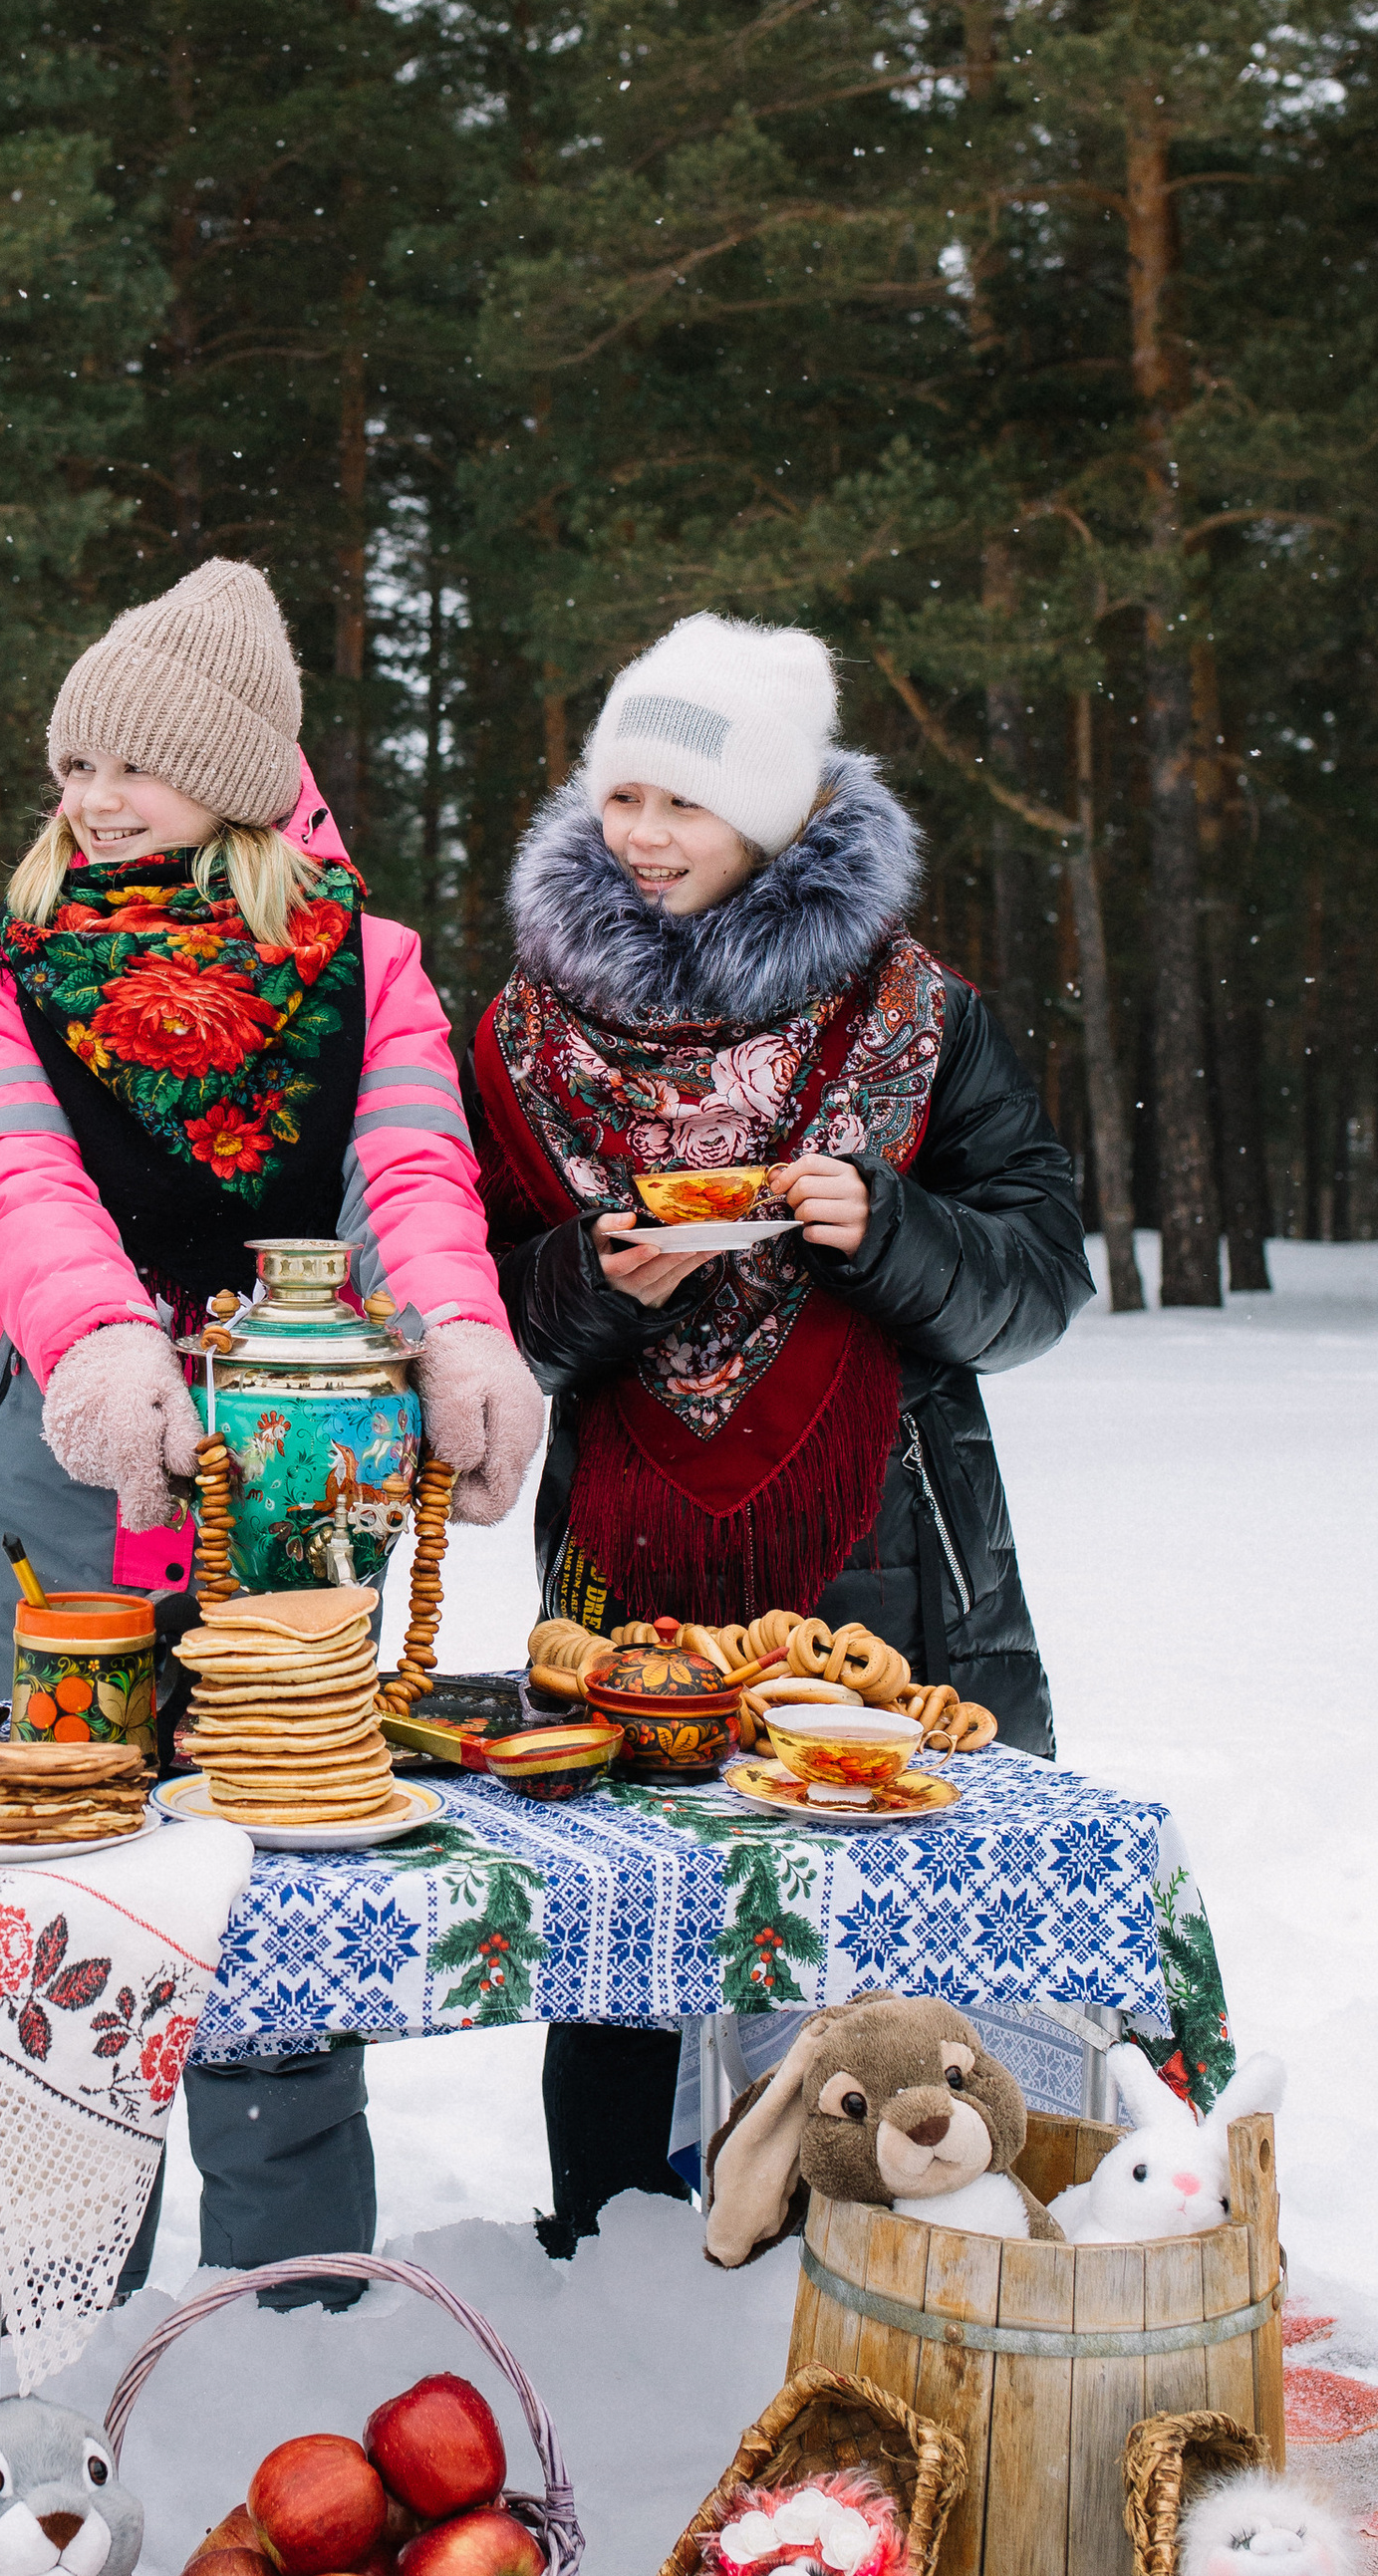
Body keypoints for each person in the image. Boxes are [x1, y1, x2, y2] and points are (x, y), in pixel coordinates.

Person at [0, 558, 541, 2299]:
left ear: (243, 772)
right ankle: (51, 2311)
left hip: (301, 1468)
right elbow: (11, 1172)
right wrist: (106, 1334)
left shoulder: (373, 967)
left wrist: (459, 1333)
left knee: (276, 1865)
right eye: (72, 769)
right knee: (74, 1875)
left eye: (130, 764)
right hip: (65, 1453)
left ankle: (293, 2328)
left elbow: (411, 1167)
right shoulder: (11, 968)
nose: (91, 798)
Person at [466, 615, 1094, 2254]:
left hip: (887, 1571)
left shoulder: (916, 1019)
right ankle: (602, 2292)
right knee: (618, 1954)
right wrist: (597, 1281)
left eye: (687, 802)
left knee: (885, 1985)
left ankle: (895, 2292)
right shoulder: (525, 1040)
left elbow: (1036, 1288)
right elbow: (473, 1316)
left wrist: (886, 1227)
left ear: (781, 817)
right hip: (626, 1586)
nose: (647, 836)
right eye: (622, 798)